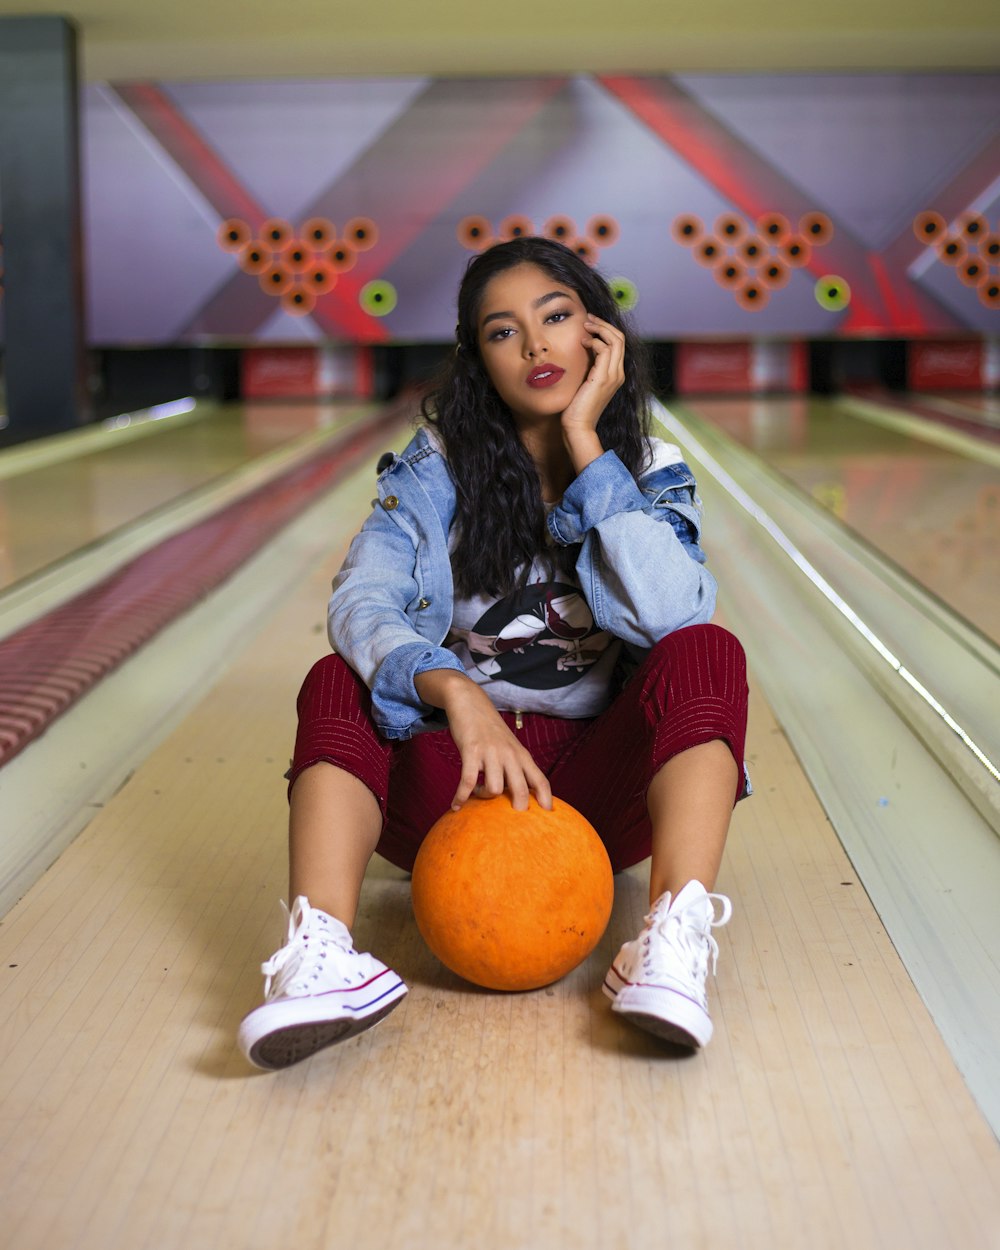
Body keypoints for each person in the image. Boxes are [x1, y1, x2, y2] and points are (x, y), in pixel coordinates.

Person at [237, 236, 750, 1071]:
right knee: (337, 679)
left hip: (591, 794)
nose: (537, 345)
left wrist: (587, 443)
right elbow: (360, 600)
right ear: (479, 360)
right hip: (455, 778)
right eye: (502, 332)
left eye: (556, 317)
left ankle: (672, 941)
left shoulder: (649, 470)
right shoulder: (438, 471)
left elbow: (671, 613)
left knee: (707, 652)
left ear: (600, 334)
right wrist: (455, 691)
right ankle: (318, 956)